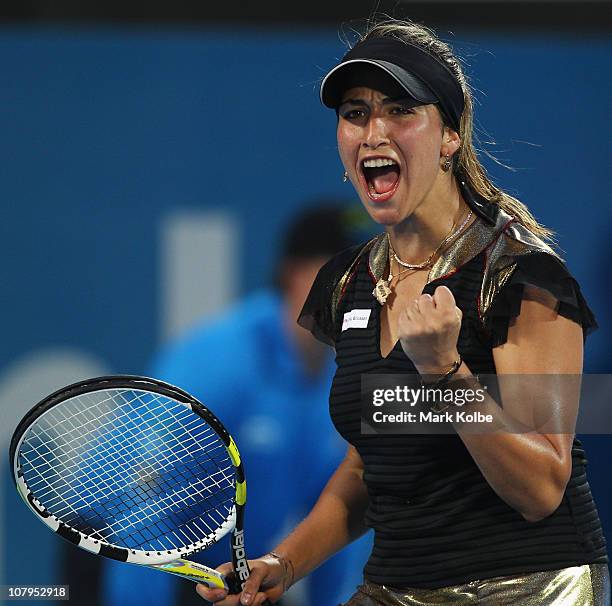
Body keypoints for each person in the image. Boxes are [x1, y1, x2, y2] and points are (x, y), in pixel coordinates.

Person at [197, 18, 610, 606]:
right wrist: (283, 563)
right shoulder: (347, 283)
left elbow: (541, 486)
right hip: (395, 588)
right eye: (356, 113)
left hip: (530, 589)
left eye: (400, 110)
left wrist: (446, 375)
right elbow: (369, 472)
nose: (373, 132)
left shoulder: (521, 276)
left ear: (450, 136)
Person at [89, 205, 374, 606]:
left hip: (227, 574)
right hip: (125, 551)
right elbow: (142, 507)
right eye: (339, 273)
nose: (356, 288)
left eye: (366, 275)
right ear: (292, 275)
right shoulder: (221, 362)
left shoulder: (348, 369)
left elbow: (337, 514)